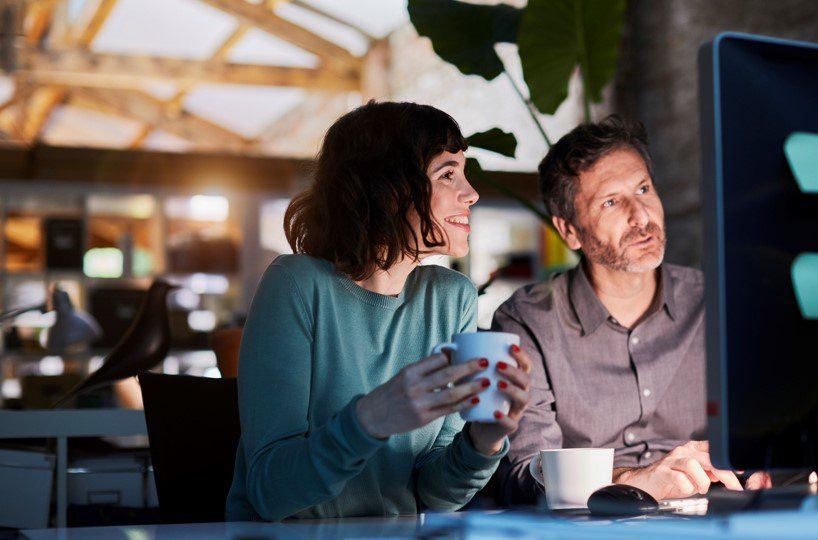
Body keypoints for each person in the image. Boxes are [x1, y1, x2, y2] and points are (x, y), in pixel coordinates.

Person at [226, 101, 532, 521]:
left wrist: (484, 442)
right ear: (389, 188)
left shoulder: (451, 297)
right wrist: (370, 419)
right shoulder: (297, 284)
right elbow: (269, 491)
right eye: (447, 174)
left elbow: (436, 494)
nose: (472, 193)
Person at [492, 116, 770, 505]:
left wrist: (765, 468)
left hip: (718, 521)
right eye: (611, 201)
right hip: (592, 529)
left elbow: (769, 433)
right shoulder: (527, 322)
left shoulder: (717, 303)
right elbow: (523, 475)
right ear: (569, 230)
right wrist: (637, 482)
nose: (641, 216)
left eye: (643, 189)